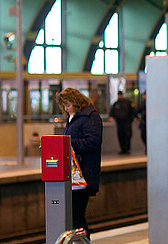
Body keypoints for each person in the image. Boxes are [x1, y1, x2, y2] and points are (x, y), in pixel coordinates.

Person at [56, 88, 102, 236]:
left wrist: (68, 143)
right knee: (75, 216)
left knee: (77, 216)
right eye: (64, 105)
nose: (65, 108)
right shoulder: (74, 117)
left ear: (76, 102)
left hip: (83, 174)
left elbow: (93, 142)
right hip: (74, 175)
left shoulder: (90, 117)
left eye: (67, 105)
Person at [109, 90, 135, 155]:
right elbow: (112, 112)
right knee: (121, 136)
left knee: (127, 135)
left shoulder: (127, 102)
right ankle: (123, 149)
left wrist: (134, 117)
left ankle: (127, 148)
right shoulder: (116, 104)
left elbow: (132, 110)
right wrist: (111, 116)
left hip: (127, 122)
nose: (119, 96)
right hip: (119, 122)